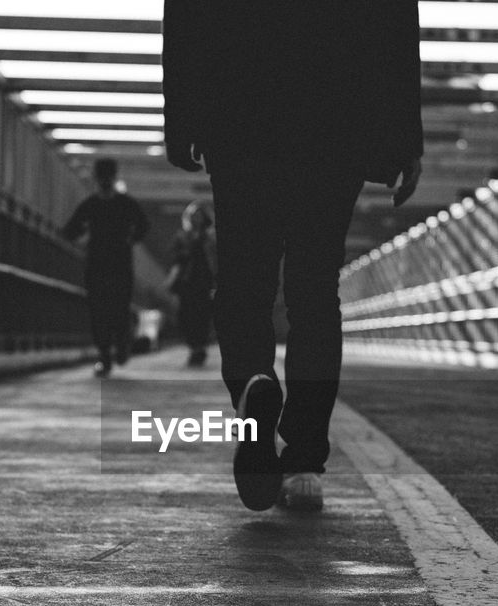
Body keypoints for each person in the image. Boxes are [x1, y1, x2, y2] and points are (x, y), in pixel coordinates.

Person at [162, 1, 424, 512]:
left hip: (239, 110)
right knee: (315, 289)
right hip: (337, 116)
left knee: (243, 280)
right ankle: (304, 458)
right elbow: (395, 19)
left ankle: (251, 388)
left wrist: (181, 117)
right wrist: (403, 138)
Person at [62, 158, 151, 378]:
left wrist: (82, 235)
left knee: (104, 310)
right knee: (112, 310)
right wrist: (131, 238)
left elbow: (69, 231)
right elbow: (144, 226)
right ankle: (114, 350)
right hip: (116, 264)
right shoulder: (125, 203)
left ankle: (110, 353)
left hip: (100, 265)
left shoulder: (91, 204)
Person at [167, 200, 216, 367]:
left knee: (203, 315)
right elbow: (174, 257)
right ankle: (194, 346)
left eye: (200, 216)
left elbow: (216, 259)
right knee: (186, 315)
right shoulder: (182, 236)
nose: (197, 219)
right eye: (194, 216)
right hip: (187, 281)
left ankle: (199, 347)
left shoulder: (211, 237)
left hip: (205, 281)